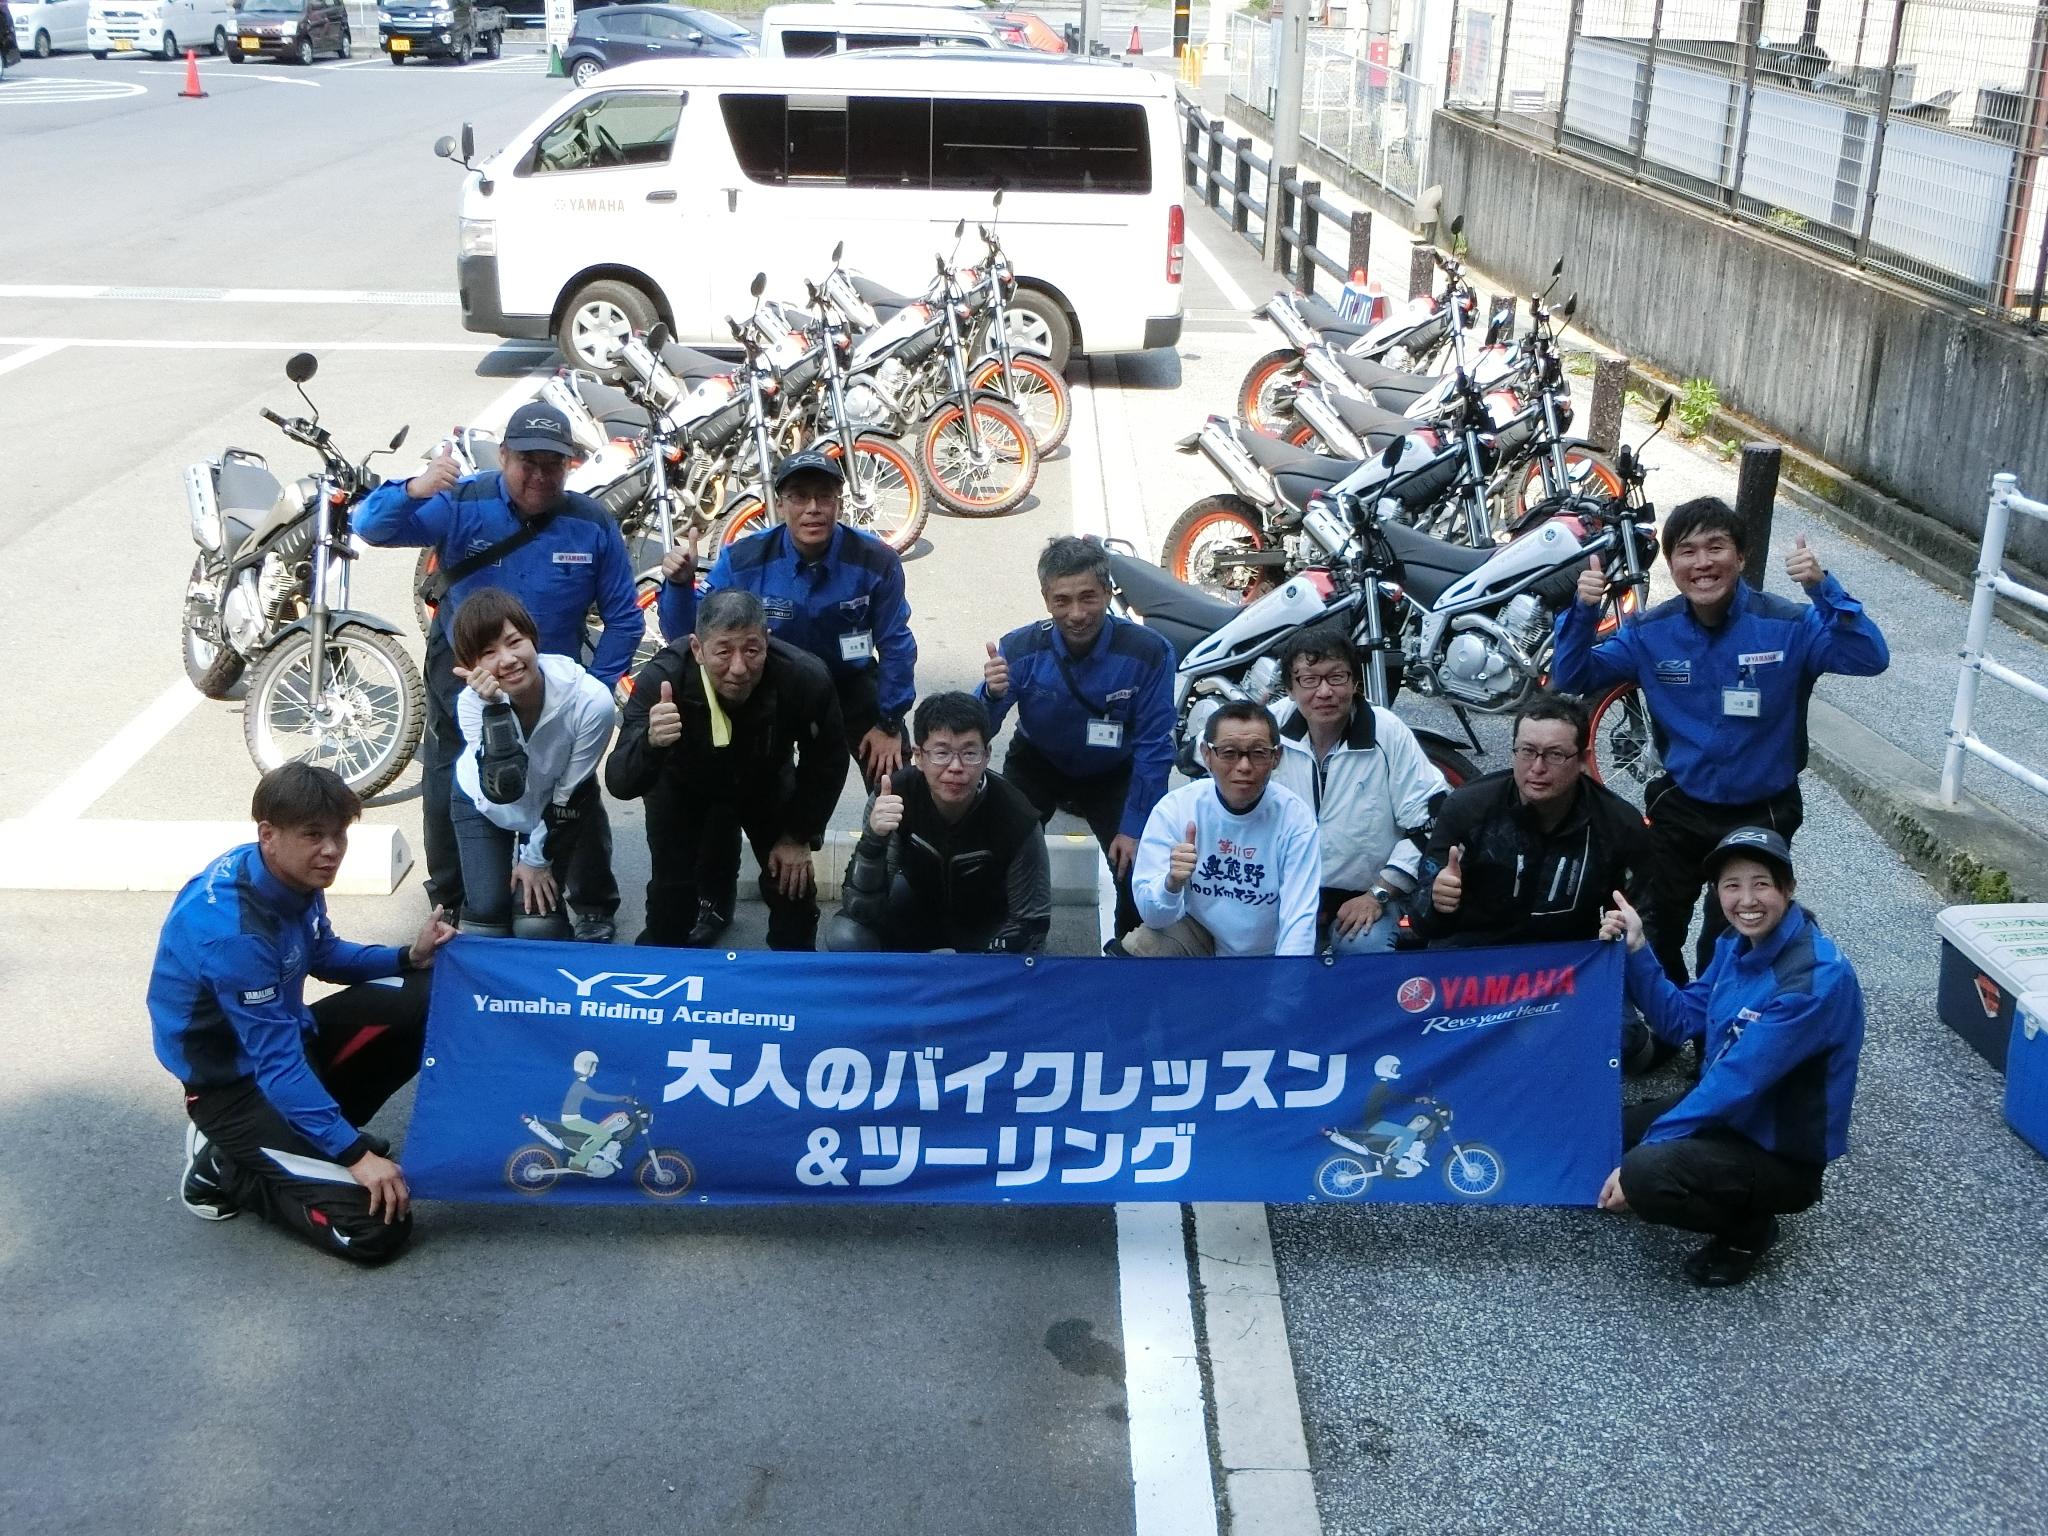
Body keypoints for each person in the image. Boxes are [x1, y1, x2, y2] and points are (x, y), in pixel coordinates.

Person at [1550, 498, 1888, 982]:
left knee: (1728, 937)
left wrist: (1821, 586)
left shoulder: (1788, 624)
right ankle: (1670, 1022)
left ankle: (1718, 1039)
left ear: (1742, 558)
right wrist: (1583, 611)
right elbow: (1571, 673)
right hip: (1683, 802)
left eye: (1716, 547)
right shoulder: (1650, 631)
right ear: (1672, 564)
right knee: (1651, 924)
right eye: (1687, 551)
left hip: (1762, 808)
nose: (1702, 563)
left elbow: (1870, 657)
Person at [147, 763, 457, 1264]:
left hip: (284, 1043)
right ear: (268, 834)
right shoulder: (234, 934)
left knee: (427, 992)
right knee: (380, 1226)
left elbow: (323, 954)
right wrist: (355, 1156)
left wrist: (408, 957)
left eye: (339, 835)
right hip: (234, 1089)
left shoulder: (284, 873)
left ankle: (307, 1142)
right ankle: (226, 1170)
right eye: (314, 835)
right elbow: (276, 1066)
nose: (331, 850)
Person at [357, 398, 641, 943]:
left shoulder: (592, 524)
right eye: (526, 460)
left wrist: (594, 691)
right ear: (503, 456)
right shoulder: (462, 501)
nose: (538, 474)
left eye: (552, 463)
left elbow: (625, 621)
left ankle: (592, 901)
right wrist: (415, 489)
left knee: (571, 786)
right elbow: (371, 526)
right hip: (465, 670)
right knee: (453, 776)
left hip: (550, 679)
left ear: (570, 465)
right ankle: (453, 897)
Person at [655, 449, 917, 944]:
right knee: (723, 782)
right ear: (781, 504)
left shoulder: (876, 559)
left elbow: (897, 641)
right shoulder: (744, 557)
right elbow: (688, 633)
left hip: (847, 684)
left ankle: (899, 891)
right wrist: (680, 583)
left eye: (824, 497)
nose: (813, 509)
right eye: (800, 497)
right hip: (762, 684)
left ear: (840, 503)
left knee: (896, 778)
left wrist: (889, 721)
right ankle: (714, 899)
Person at [1597, 827, 1866, 1287]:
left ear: (1788, 888)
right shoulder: (1736, 945)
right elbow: (1680, 1021)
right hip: (1733, 1115)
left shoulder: (1813, 981)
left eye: (1761, 883)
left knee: (1644, 1172)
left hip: (1780, 1151)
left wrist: (1648, 1153)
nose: (1746, 899)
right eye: (1731, 885)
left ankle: (1749, 1230)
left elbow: (1735, 1082)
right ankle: (1682, 1173)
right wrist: (1637, 949)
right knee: (1609, 1129)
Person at [607, 588, 851, 951]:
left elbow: (828, 761)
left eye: (752, 650)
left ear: (767, 643)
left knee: (793, 887)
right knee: (671, 897)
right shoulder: (663, 679)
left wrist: (799, 835)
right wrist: (650, 742)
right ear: (697, 649)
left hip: (764, 779)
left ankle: (794, 982)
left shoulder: (803, 675)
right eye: (723, 651)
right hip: (682, 783)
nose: (739, 668)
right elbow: (620, 782)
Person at [977, 536, 1175, 936]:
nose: (1077, 613)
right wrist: (989, 694)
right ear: (1046, 599)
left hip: (1113, 771)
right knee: (997, 855)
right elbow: (975, 732)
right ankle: (1008, 943)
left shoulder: (1150, 652)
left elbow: (1155, 748)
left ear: (1107, 591)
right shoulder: (1018, 647)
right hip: (1038, 762)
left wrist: (1135, 826)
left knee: (1136, 868)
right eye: (1062, 600)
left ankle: (1129, 955)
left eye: (1088, 597)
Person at [1418, 690, 1652, 949]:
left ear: (1584, 760)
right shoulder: (1467, 808)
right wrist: (1437, 902)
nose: (1537, 768)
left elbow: (1644, 923)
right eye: (1527, 751)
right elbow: (1422, 923)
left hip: (1565, 966)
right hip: (1476, 961)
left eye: (1555, 755)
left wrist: (1622, 931)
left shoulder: (1619, 824)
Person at [448, 589, 617, 939]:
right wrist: (495, 708)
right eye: (488, 652)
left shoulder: (592, 701)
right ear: (471, 666)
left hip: (557, 803)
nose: (507, 659)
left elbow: (570, 794)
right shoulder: (472, 704)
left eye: (514, 641)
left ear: (533, 639)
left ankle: (591, 910)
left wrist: (536, 858)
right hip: (484, 801)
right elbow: (504, 789)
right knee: (486, 925)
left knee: (537, 926)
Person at [826, 692, 1051, 955]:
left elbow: (1031, 923)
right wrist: (874, 840)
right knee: (846, 935)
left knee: (1025, 952)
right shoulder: (893, 795)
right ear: (919, 756)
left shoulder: (1017, 815)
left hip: (986, 924)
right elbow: (861, 908)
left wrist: (978, 963)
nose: (955, 767)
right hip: (916, 908)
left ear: (987, 755)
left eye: (969, 753)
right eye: (941, 753)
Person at [1268, 625, 1447, 955]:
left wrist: (1379, 893)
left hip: (1364, 896)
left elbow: (1430, 822)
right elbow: (1214, 765)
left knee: (1365, 949)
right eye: (1309, 679)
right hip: (1280, 893)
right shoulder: (1268, 729)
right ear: (1290, 689)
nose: (1324, 692)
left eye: (1336, 677)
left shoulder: (1387, 732)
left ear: (1355, 682)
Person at [1122, 700, 1321, 958]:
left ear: (1276, 757)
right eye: (1229, 753)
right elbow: (1152, 916)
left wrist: (1284, 991)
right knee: (1143, 944)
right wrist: (1171, 884)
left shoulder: (1296, 819)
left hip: (1267, 953)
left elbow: (1299, 922)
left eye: (1259, 753)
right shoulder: (1176, 808)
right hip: (1201, 938)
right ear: (1206, 755)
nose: (1244, 766)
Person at [559, 1050, 635, 1170]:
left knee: (602, 1130)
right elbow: (598, 1096)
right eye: (593, 1067)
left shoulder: (579, 1084)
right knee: (604, 1134)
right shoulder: (580, 1086)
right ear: (586, 1067)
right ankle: (578, 1162)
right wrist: (620, 1098)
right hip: (572, 1120)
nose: (595, 1070)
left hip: (573, 1118)